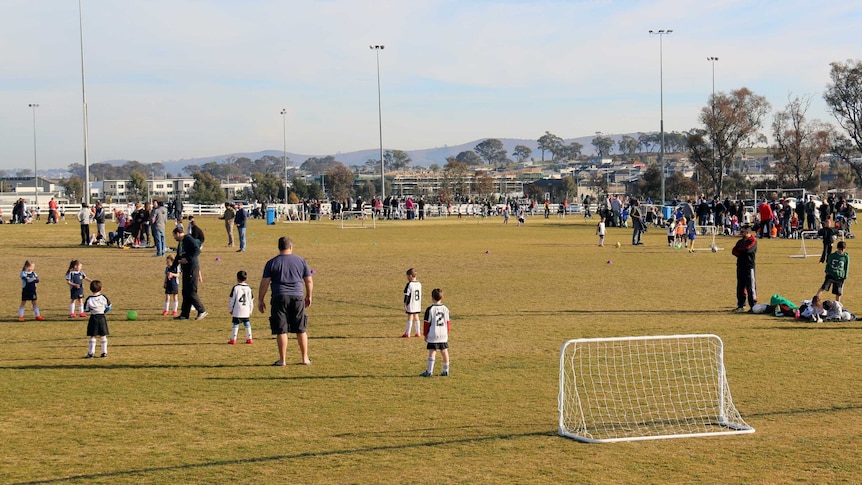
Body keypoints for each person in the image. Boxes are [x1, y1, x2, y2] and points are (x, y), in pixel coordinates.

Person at [258, 236, 313, 366]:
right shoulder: (301, 261)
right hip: (297, 296)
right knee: (301, 328)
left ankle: (282, 360)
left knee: (282, 330)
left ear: (279, 247)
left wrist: (261, 299)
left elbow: (265, 283)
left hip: (279, 297)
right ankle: (305, 358)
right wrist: (309, 295)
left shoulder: (272, 262)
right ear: (291, 247)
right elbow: (308, 280)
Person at [170, 225, 207, 321]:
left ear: (178, 234)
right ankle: (184, 315)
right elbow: (178, 257)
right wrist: (171, 270)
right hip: (185, 269)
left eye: (174, 236)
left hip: (192, 268)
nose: (174, 238)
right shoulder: (181, 243)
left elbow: (197, 250)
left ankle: (201, 310)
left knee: (191, 291)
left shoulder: (189, 239)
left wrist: (187, 259)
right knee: (185, 291)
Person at [420, 288, 451, 377]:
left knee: (432, 351)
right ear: (442, 297)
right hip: (443, 333)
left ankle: (429, 371)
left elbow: (426, 323)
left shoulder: (430, 309)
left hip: (433, 333)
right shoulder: (445, 309)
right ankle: (446, 370)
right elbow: (448, 322)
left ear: (432, 297)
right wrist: (447, 332)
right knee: (444, 351)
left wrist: (425, 334)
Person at [732, 224, 758, 312]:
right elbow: (734, 251)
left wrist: (740, 251)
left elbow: (748, 250)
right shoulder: (740, 242)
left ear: (747, 232)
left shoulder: (753, 240)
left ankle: (753, 306)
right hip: (740, 266)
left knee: (751, 287)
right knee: (740, 286)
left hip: (749, 266)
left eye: (742, 231)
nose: (741, 233)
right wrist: (741, 253)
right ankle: (741, 305)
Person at [83, 280, 111, 358]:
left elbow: (86, 309)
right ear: (101, 288)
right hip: (102, 317)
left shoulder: (89, 299)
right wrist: (104, 311)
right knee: (103, 335)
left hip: (93, 317)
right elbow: (109, 306)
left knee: (93, 336)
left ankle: (91, 353)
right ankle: (104, 352)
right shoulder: (103, 297)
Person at [228, 270, 254, 345]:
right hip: (246, 309)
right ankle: (249, 338)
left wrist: (230, 309)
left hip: (237, 309)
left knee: (236, 323)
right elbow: (251, 300)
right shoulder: (249, 288)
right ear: (246, 278)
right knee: (247, 323)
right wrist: (250, 310)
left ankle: (233, 339)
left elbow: (232, 299)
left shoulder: (236, 288)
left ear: (237, 278)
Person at [403, 268, 422, 338]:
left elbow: (407, 295)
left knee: (410, 317)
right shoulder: (419, 284)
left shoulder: (409, 284)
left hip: (411, 303)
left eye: (407, 276)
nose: (407, 278)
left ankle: (408, 333)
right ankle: (418, 332)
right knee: (416, 316)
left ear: (410, 276)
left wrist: (405, 304)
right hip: (417, 303)